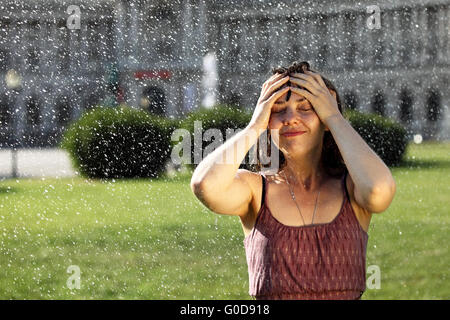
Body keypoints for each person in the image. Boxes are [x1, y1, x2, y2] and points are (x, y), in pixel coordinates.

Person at [190, 61, 396, 300]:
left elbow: (381, 190)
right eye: (278, 110)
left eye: (306, 108)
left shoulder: (351, 188)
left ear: (325, 120)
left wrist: (334, 117)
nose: (290, 118)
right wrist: (254, 127)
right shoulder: (255, 191)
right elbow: (205, 185)